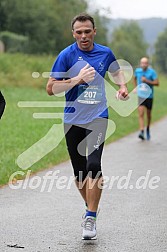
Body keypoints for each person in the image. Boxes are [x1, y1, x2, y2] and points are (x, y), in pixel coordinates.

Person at [46, 13, 128, 240]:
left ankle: (90, 216)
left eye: (87, 31)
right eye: (79, 32)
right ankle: (91, 205)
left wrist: (121, 86)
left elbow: (115, 70)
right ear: (73, 33)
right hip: (73, 119)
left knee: (93, 164)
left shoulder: (105, 52)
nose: (83, 36)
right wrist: (77, 80)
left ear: (94, 31)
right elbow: (50, 88)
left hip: (98, 116)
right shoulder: (66, 55)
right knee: (79, 172)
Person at [134, 57, 159, 140]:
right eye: (142, 63)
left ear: (148, 64)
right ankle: (141, 131)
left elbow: (157, 83)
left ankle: (147, 128)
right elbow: (134, 78)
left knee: (148, 115)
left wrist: (147, 81)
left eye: (145, 63)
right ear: (140, 64)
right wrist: (135, 88)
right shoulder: (137, 71)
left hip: (149, 96)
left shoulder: (152, 72)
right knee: (141, 114)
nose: (143, 64)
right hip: (140, 95)